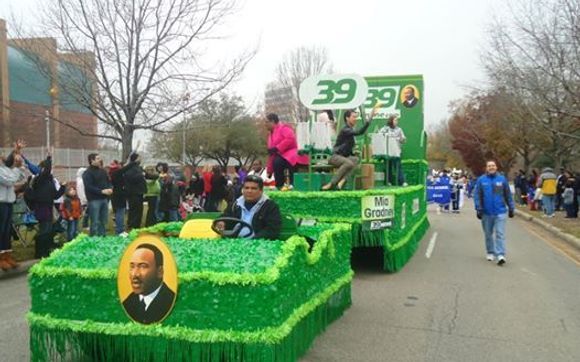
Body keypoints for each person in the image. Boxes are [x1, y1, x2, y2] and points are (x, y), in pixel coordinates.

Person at [322, 108, 377, 191]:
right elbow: (360, 132)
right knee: (349, 163)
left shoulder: (350, 130)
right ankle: (331, 183)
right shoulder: (345, 130)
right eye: (353, 117)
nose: (355, 119)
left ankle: (341, 182)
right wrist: (369, 119)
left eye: (356, 117)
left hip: (344, 157)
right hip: (335, 156)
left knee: (355, 160)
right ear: (347, 118)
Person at [122, 243, 176, 324]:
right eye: (132, 266)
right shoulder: (128, 302)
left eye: (143, 266)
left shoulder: (171, 302)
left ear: (159, 271)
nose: (134, 274)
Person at [473, 160, 515, 265]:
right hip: (486, 212)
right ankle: (490, 252)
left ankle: (500, 254)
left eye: (493, 165)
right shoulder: (481, 180)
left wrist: (511, 208)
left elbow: (508, 195)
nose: (491, 167)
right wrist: (478, 208)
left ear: (496, 167)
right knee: (488, 234)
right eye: (489, 166)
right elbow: (477, 195)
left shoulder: (502, 179)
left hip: (500, 211)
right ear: (486, 168)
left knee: (500, 233)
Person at [216, 174, 281, 240]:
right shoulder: (235, 204)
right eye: (246, 188)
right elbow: (225, 216)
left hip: (258, 245)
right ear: (243, 190)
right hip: (234, 242)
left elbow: (272, 230)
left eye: (253, 188)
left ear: (261, 191)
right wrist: (222, 222)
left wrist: (253, 241)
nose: (249, 191)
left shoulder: (270, 206)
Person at [27, 156, 66, 258]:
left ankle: (46, 250)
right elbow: (46, 171)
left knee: (48, 230)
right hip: (41, 207)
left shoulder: (50, 181)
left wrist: (63, 187)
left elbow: (55, 195)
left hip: (49, 207)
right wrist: (49, 159)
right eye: (48, 168)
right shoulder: (39, 178)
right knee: (44, 230)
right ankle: (39, 252)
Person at [0, 146, 26, 271]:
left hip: (9, 202)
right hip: (0, 203)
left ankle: (7, 256)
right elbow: (9, 181)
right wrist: (16, 169)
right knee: (1, 230)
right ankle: (1, 258)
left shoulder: (6, 169)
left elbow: (21, 178)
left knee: (6, 231)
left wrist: (19, 166)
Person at [265, 113, 305, 189]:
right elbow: (271, 154)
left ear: (272, 121)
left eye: (267, 122)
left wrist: (278, 148)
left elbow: (290, 138)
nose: (265, 124)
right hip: (279, 156)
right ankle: (279, 186)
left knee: (280, 162)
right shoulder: (270, 136)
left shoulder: (284, 128)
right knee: (276, 162)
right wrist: (269, 170)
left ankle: (293, 184)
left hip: (292, 154)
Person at [82, 153, 113, 236]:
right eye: (98, 158)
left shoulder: (103, 171)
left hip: (104, 199)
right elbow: (89, 187)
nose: (100, 160)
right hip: (94, 200)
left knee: (103, 220)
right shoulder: (87, 173)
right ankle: (93, 239)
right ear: (92, 160)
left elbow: (109, 181)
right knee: (95, 221)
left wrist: (110, 188)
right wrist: (101, 191)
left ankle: (102, 237)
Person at [378, 115, 407, 186]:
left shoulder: (399, 129)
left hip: (396, 151)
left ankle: (402, 182)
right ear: (391, 121)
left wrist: (401, 139)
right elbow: (379, 136)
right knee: (388, 167)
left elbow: (403, 139)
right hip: (387, 151)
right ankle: (388, 182)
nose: (397, 122)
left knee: (398, 167)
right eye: (395, 120)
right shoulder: (385, 129)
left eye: (397, 120)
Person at [122, 153, 147, 230]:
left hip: (139, 193)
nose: (141, 159)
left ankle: (136, 225)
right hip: (133, 193)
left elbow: (146, 174)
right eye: (139, 158)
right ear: (136, 159)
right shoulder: (130, 168)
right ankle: (132, 225)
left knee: (139, 210)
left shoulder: (138, 168)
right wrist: (141, 175)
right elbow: (130, 178)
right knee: (134, 210)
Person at [109, 160, 127, 235]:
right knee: (120, 213)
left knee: (119, 212)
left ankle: (120, 229)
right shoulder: (117, 173)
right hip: (119, 195)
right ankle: (120, 230)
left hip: (116, 195)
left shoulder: (112, 172)